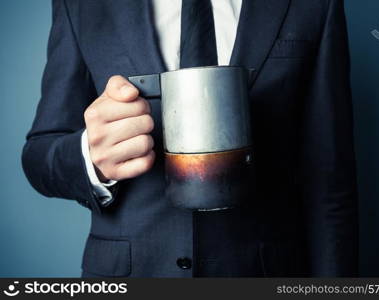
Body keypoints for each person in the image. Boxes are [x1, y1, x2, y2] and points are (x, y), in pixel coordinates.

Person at [22, 0, 358, 277]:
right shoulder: (83, 6)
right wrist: (90, 158)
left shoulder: (314, 5)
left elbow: (330, 182)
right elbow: (39, 156)